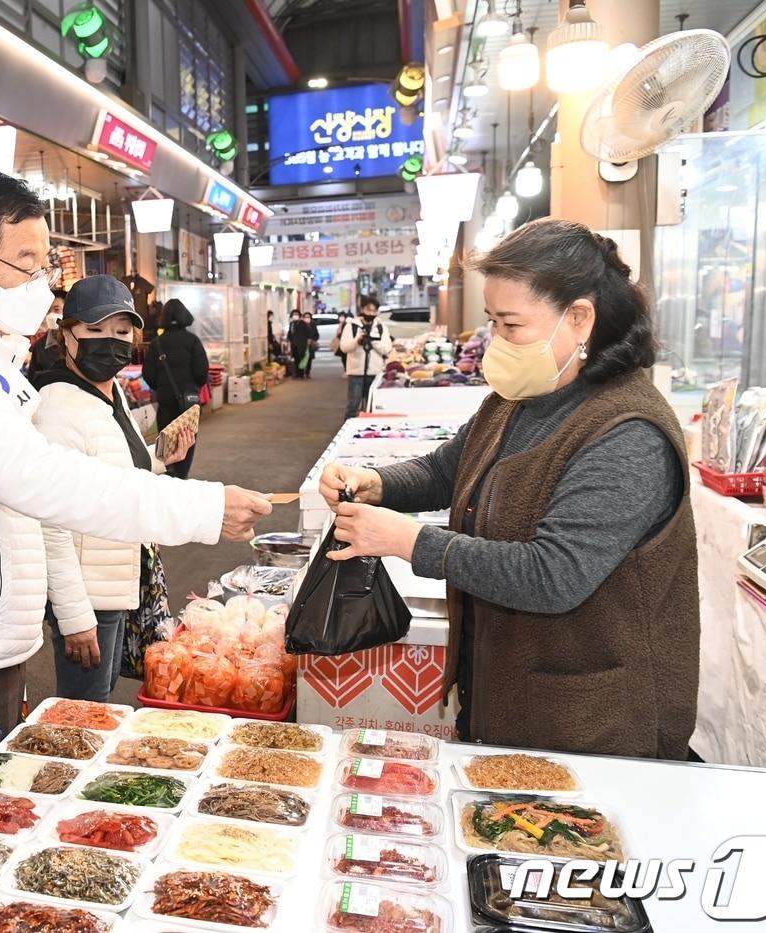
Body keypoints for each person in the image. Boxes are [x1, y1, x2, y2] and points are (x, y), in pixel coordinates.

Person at [0, 171, 271, 735]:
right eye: (24, 261)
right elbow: (42, 479)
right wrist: (203, 508)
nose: (39, 281)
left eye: (44, 264)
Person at [319, 219, 698, 760]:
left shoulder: (629, 434)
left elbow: (554, 574)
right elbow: (448, 470)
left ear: (580, 318)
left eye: (512, 324)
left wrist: (411, 542)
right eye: (493, 322)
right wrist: (375, 483)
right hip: (507, 686)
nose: (498, 340)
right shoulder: (521, 396)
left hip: (591, 716)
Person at [32, 276, 195, 701]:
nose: (111, 341)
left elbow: (118, 468)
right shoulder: (57, 406)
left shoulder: (112, 392)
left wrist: (161, 457)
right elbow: (51, 522)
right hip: (88, 594)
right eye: (95, 330)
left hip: (118, 580)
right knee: (84, 711)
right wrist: (73, 615)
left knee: (100, 700)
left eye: (122, 331)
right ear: (67, 335)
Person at [141, 298, 209, 479]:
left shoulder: (157, 343)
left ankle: (168, 474)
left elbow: (148, 373)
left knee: (166, 442)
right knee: (187, 439)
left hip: (166, 402)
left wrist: (161, 388)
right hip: (189, 403)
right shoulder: (193, 341)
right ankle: (182, 476)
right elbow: (202, 372)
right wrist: (192, 387)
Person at [338, 295, 392, 419]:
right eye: (368, 310)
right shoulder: (352, 326)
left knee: (372, 407)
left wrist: (373, 341)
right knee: (353, 405)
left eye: (374, 311)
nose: (371, 313)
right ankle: (349, 432)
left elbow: (387, 349)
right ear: (362, 310)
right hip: (356, 372)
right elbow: (344, 347)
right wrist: (357, 340)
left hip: (375, 372)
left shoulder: (381, 327)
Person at [26, 286, 67, 378]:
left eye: (56, 309)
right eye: (48, 311)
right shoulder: (39, 347)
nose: (51, 314)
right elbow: (33, 379)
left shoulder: (78, 340)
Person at [287, 310, 312, 379]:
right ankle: (297, 373)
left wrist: (308, 341)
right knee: (296, 359)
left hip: (301, 344)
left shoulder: (303, 323)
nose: (295, 316)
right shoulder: (292, 324)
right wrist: (288, 339)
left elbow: (309, 333)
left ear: (299, 316)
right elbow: (290, 333)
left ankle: (301, 374)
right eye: (294, 314)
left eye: (296, 314)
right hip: (294, 344)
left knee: (301, 358)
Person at [299, 311, 318, 377]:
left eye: (308, 317)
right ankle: (301, 372)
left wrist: (312, 340)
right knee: (302, 357)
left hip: (310, 345)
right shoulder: (300, 324)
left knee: (309, 358)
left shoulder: (313, 324)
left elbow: (316, 334)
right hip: (302, 344)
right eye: (305, 317)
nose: (307, 318)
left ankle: (307, 372)